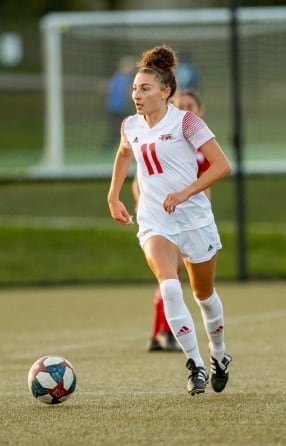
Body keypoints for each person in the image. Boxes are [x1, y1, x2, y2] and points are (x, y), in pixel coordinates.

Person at [107, 45, 232, 396]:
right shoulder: (130, 125)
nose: (137, 94)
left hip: (194, 219)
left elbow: (222, 166)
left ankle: (219, 356)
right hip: (154, 218)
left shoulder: (186, 121)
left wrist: (186, 193)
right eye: (134, 88)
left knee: (204, 294)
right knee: (168, 283)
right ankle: (194, 365)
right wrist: (113, 195)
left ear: (166, 92)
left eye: (145, 88)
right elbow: (122, 155)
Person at [134, 89, 210, 352]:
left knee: (181, 277)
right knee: (171, 272)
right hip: (163, 218)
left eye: (190, 106)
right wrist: (144, 205)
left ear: (200, 112)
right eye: (181, 105)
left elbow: (207, 184)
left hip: (192, 219)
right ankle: (163, 332)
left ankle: (159, 334)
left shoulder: (201, 145)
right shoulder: (164, 137)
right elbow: (139, 181)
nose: (185, 110)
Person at [102, 56, 137, 151]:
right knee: (123, 128)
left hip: (114, 106)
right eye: (129, 66)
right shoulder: (124, 78)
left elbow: (109, 87)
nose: (131, 69)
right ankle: (108, 147)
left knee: (119, 128)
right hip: (117, 107)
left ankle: (108, 147)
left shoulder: (116, 76)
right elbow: (126, 92)